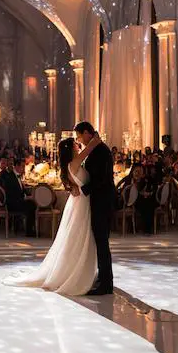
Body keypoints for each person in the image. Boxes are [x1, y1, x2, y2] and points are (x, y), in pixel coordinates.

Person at [4, 136, 100, 295]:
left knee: (78, 237)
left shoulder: (70, 165)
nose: (78, 146)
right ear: (71, 150)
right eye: (75, 145)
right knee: (79, 237)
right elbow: (89, 149)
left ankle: (79, 269)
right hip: (81, 203)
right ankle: (76, 273)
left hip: (79, 202)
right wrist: (95, 140)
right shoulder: (74, 163)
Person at [74, 121, 116, 295]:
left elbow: (101, 179)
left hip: (103, 200)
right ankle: (103, 276)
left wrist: (83, 190)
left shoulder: (101, 150)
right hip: (99, 200)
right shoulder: (95, 149)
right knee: (100, 240)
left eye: (79, 136)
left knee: (102, 241)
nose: (79, 140)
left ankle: (106, 283)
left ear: (86, 133)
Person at [0, 160, 36, 236]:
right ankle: (29, 231)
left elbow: (21, 190)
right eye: (22, 166)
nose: (24, 168)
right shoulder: (10, 178)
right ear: (16, 166)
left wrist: (28, 196)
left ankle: (29, 229)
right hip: (12, 204)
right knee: (32, 206)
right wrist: (26, 197)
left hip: (17, 201)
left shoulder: (17, 176)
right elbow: (13, 194)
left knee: (32, 203)